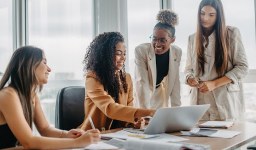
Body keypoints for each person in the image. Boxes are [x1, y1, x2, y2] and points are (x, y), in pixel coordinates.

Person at [0, 46, 100, 149]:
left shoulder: (32, 96)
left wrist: (66, 135)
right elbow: (29, 142)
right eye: (44, 62)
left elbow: (45, 129)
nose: (49, 69)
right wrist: (78, 142)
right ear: (29, 64)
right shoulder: (8, 95)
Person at [185, 0, 248, 121]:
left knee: (227, 138)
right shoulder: (192, 38)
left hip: (224, 101)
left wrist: (214, 84)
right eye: (202, 13)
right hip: (200, 103)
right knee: (201, 139)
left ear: (219, 16)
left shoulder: (231, 33)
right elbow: (188, 69)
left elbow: (242, 67)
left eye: (211, 15)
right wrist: (189, 78)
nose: (205, 18)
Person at [79, 32, 155, 131]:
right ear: (106, 55)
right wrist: (150, 112)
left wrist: (135, 122)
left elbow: (128, 111)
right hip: (95, 135)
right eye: (118, 53)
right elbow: (110, 108)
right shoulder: (92, 78)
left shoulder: (126, 78)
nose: (123, 58)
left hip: (119, 134)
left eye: (124, 53)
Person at [134, 9, 182, 109]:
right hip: (143, 95)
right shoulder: (141, 51)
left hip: (160, 94)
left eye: (163, 40)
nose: (157, 44)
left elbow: (175, 83)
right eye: (154, 39)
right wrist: (145, 113)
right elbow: (142, 83)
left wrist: (177, 111)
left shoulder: (177, 52)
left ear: (172, 40)